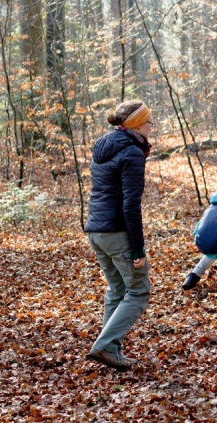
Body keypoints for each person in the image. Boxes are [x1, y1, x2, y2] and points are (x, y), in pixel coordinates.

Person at [85, 100, 154, 371]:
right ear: (137, 124)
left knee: (117, 289)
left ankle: (110, 351)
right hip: (117, 232)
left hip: (97, 231)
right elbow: (130, 205)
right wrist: (138, 248)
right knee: (138, 291)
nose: (152, 126)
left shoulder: (104, 146)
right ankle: (103, 346)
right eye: (149, 121)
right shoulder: (132, 152)